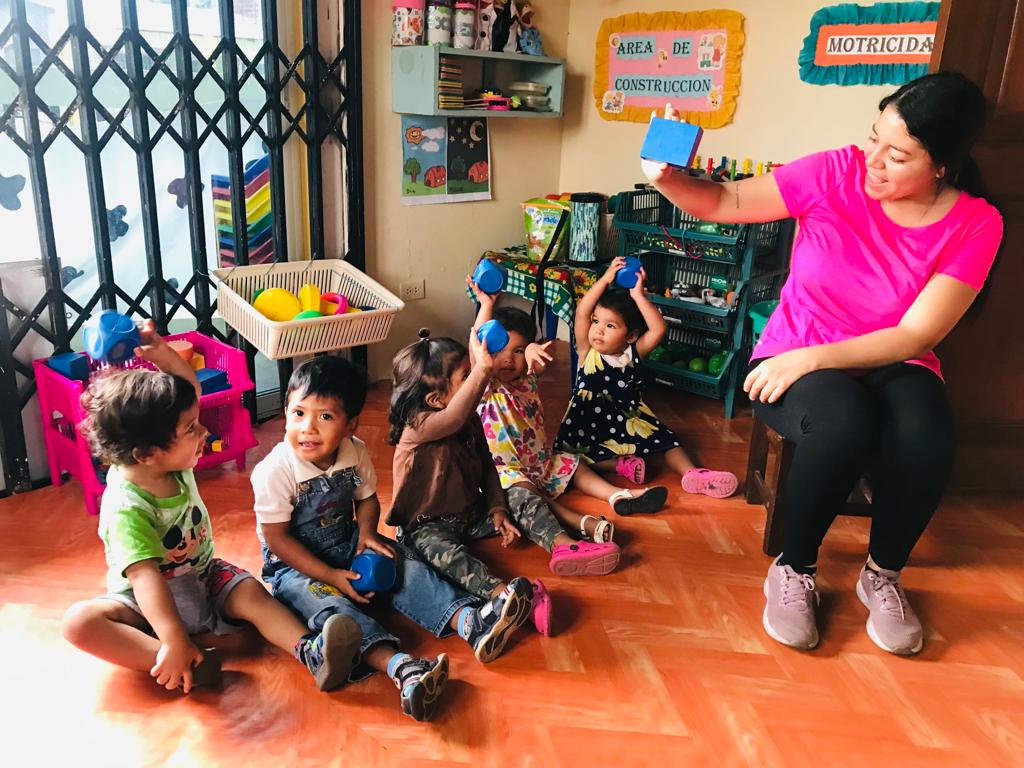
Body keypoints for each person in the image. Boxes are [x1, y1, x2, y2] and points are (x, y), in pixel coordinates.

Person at [642, 71, 1003, 654]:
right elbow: (724, 201)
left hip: (887, 355)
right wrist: (667, 177)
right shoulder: (834, 172)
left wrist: (813, 359)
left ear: (941, 165)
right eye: (874, 139)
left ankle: (882, 574)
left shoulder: (976, 222)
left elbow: (915, 335)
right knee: (842, 422)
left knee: (927, 434)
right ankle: (795, 567)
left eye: (897, 156)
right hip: (794, 346)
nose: (873, 162)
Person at [61, 322, 360, 695]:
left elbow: (190, 389)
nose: (204, 432)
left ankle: (311, 652)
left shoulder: (169, 461)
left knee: (251, 593)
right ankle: (183, 661)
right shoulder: (126, 507)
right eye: (191, 429)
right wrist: (172, 637)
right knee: (79, 623)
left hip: (203, 576)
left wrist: (158, 349)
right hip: (145, 604)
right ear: (147, 453)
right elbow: (144, 578)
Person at [251, 355, 526, 722]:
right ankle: (401, 667)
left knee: (402, 563)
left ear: (350, 425)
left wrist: (366, 533)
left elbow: (366, 500)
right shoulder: (275, 470)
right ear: (286, 412)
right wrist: (330, 577)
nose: (308, 428)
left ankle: (470, 622)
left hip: (347, 542)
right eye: (298, 413)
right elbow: (277, 539)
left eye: (325, 417)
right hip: (294, 566)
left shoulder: (354, 451)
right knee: (332, 610)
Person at [387, 328, 572, 636]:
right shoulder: (417, 427)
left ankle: (562, 544)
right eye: (466, 376)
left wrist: (497, 508)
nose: (476, 378)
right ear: (435, 399)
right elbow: (452, 419)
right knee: (443, 554)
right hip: (427, 525)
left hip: (471, 512)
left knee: (519, 495)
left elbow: (488, 465)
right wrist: (484, 370)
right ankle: (505, 597)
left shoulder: (469, 420)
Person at [467, 283, 668, 531]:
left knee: (576, 465)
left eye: (517, 351)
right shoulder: (487, 386)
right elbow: (477, 353)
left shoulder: (526, 379)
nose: (509, 358)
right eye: (500, 351)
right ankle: (578, 523)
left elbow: (542, 361)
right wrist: (486, 306)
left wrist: (532, 349)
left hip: (541, 465)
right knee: (528, 494)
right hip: (505, 473)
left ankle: (618, 495)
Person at [552, 258, 739, 499]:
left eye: (610, 326)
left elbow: (658, 329)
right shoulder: (587, 351)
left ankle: (693, 474)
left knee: (667, 441)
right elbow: (582, 312)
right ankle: (621, 465)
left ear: (630, 336)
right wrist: (606, 279)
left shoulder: (633, 354)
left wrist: (639, 296)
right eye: (596, 321)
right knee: (569, 453)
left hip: (628, 419)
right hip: (585, 421)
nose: (598, 329)